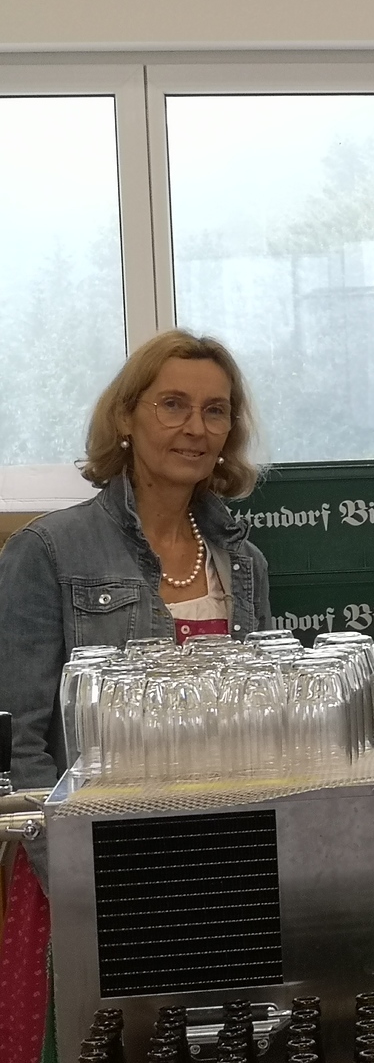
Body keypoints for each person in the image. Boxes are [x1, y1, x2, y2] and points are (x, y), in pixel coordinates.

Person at [0, 328, 273, 794]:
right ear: (125, 417)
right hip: (96, 829)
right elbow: (17, 744)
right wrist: (68, 835)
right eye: (173, 405)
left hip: (229, 822)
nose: (196, 428)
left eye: (215, 411)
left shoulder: (246, 563)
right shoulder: (46, 551)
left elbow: (267, 722)